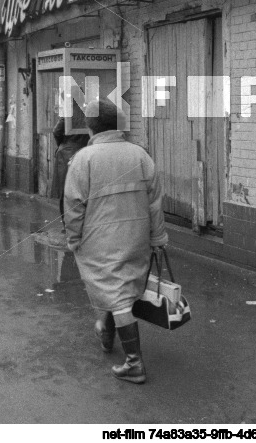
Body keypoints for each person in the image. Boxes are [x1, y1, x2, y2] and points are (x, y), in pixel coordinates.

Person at [64, 99, 168, 384]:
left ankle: (134, 362)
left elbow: (74, 206)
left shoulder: (83, 159)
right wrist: (157, 237)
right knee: (120, 286)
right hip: (136, 237)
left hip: (99, 238)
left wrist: (73, 238)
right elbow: (155, 202)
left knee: (116, 293)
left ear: (90, 126)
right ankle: (106, 330)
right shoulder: (140, 155)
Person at [51, 118, 90, 218]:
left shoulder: (69, 111)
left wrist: (63, 144)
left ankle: (67, 223)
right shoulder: (91, 112)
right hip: (86, 150)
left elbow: (57, 131)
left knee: (65, 190)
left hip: (67, 153)